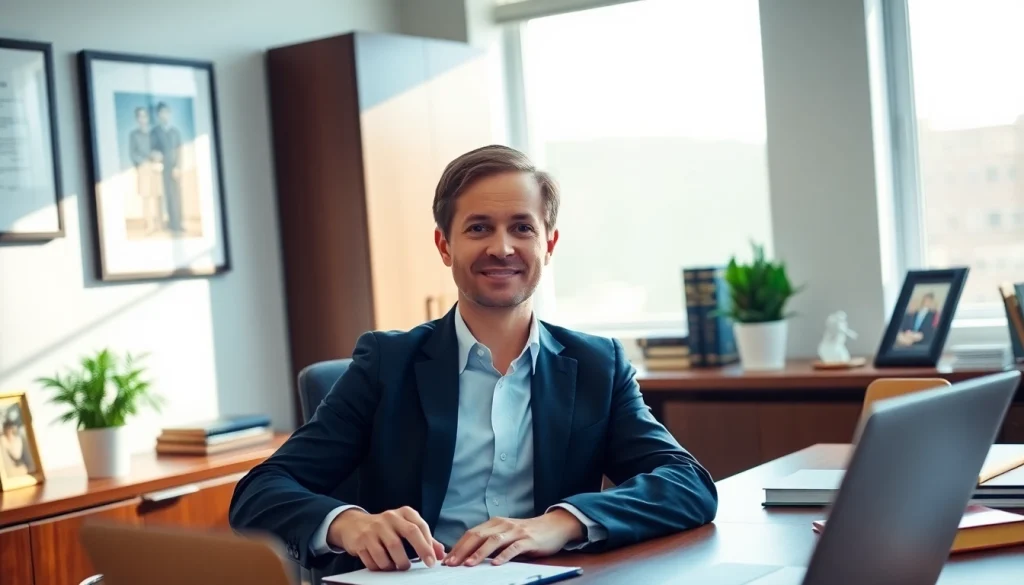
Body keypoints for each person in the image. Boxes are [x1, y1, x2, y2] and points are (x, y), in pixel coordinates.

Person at [228, 145, 718, 576]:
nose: (501, 248)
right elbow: (260, 492)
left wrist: (559, 523)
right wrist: (348, 524)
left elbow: (688, 484)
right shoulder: (387, 363)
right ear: (445, 245)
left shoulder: (597, 365)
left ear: (548, 244)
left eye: (521, 228)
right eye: (478, 227)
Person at [149, 102, 183, 234]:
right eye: (161, 113)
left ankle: (178, 223)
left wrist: (178, 167)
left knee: (177, 195)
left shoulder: (175, 132)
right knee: (167, 195)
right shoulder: (155, 132)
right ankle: (170, 224)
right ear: (158, 115)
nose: (164, 115)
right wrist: (155, 158)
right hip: (162, 168)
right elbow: (152, 149)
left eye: (166, 112)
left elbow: (179, 150)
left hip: (174, 167)